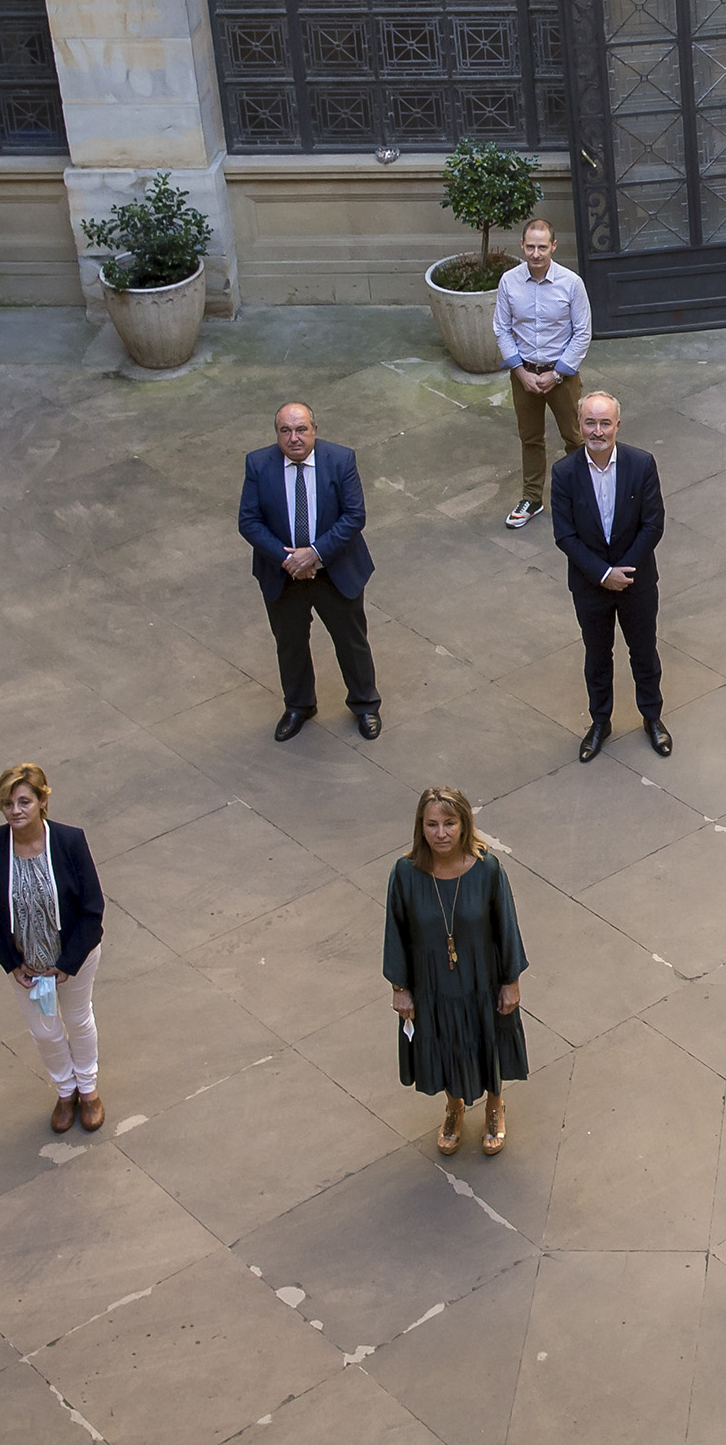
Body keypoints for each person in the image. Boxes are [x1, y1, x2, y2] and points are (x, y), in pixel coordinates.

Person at [386, 786, 529, 1157]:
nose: (441, 833)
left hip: (481, 978)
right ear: (421, 827)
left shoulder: (487, 869)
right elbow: (396, 930)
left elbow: (506, 926)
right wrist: (400, 987)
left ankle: (495, 1107)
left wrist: (511, 982)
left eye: (449, 823)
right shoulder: (405, 873)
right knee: (443, 1042)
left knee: (488, 1041)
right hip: (431, 982)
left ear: (464, 824)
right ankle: (454, 1107)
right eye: (432, 824)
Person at [0, 763, 105, 1133]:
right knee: (45, 1032)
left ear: (43, 800)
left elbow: (93, 910)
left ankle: (89, 1091)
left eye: (23, 801)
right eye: (7, 803)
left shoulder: (69, 841)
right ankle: (66, 1092)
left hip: (73, 959)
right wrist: (12, 963)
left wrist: (69, 962)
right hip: (26, 967)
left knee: (78, 1020)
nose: (15, 811)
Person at [238, 402, 379, 742]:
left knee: (351, 641)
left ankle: (365, 705)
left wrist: (313, 555)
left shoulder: (341, 460)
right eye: (285, 431)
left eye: (301, 429)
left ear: (315, 429)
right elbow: (249, 521)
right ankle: (299, 706)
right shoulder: (259, 464)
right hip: (283, 575)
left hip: (334, 571)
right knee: (290, 644)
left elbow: (353, 517)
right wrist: (289, 560)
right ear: (277, 435)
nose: (294, 438)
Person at [549, 390, 667, 762]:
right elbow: (564, 535)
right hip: (590, 585)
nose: (596, 431)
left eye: (604, 423)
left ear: (617, 425)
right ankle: (600, 721)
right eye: (589, 423)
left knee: (643, 653)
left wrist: (622, 572)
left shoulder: (641, 464)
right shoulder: (564, 473)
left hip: (636, 583)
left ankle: (652, 718)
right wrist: (602, 574)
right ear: (579, 425)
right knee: (597, 656)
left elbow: (653, 524)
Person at [494, 218, 592, 531]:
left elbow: (583, 332)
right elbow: (501, 327)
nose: (536, 254)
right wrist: (519, 371)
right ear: (522, 246)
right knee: (530, 438)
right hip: (524, 373)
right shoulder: (509, 282)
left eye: (542, 247)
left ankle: (583, 495)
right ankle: (532, 498)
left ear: (553, 246)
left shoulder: (571, 283)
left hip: (560, 375)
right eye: (530, 247)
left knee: (575, 438)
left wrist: (559, 373)